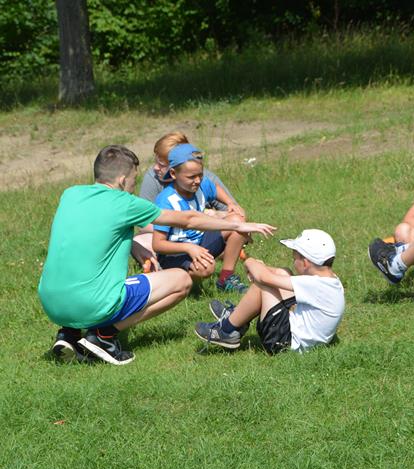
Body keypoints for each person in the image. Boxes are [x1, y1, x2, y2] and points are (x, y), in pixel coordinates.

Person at [38, 145, 276, 365]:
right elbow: (188, 219)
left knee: (86, 278)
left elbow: (90, 233)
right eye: (134, 180)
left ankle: (69, 333)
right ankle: (103, 336)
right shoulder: (124, 202)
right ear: (122, 180)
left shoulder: (70, 194)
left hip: (51, 303)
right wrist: (237, 225)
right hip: (92, 303)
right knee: (181, 280)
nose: (134, 186)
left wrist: (134, 245)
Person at [194, 229, 345, 354]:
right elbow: (272, 275)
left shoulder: (315, 285)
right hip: (299, 337)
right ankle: (237, 316)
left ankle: (227, 330)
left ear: (305, 263)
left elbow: (263, 278)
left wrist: (250, 262)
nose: (293, 261)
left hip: (284, 343)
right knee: (283, 272)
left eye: (294, 258)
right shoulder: (329, 281)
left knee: (262, 285)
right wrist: (261, 269)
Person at [132, 131, 240, 273]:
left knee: (237, 223)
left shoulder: (200, 177)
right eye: (156, 161)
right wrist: (177, 224)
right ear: (173, 172)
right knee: (139, 242)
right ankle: (160, 267)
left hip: (201, 233)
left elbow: (230, 208)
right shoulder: (155, 181)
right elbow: (143, 223)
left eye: (161, 164)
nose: (155, 167)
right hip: (168, 237)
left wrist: (216, 215)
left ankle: (226, 270)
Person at [153, 143, 249, 291]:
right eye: (191, 177)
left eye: (200, 175)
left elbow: (214, 187)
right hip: (176, 254)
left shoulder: (200, 185)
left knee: (238, 222)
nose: (198, 180)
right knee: (206, 268)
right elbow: (158, 244)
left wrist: (230, 203)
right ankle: (182, 285)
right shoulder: (166, 201)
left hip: (200, 242)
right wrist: (188, 248)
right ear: (173, 174)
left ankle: (226, 278)